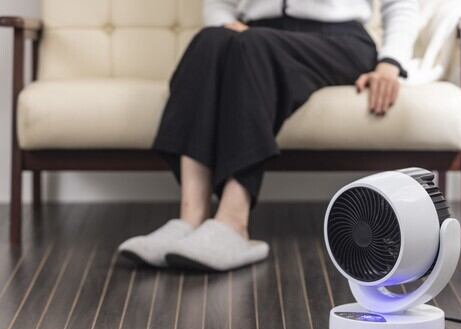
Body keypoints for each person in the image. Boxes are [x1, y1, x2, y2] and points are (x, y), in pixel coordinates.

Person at [118, 0, 419, 271]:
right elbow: (219, 3)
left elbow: (400, 4)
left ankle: (233, 224)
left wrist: (390, 63)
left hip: (338, 40)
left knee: (252, 46)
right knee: (208, 41)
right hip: (256, 35)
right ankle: (190, 219)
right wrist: (226, 24)